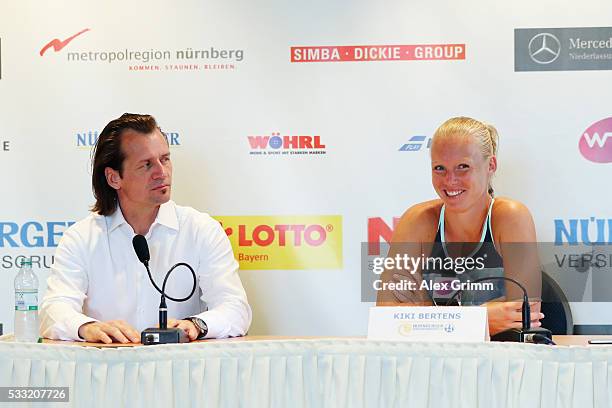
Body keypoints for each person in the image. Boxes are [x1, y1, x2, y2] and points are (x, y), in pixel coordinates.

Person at [40, 113, 251, 343]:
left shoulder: (201, 230)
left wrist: (196, 325)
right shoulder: (81, 238)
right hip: (107, 370)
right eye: (147, 164)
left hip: (181, 372)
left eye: (165, 159)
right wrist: (87, 327)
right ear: (114, 178)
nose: (162, 172)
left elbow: (236, 309)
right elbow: (54, 310)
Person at [376, 116, 543, 335]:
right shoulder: (416, 220)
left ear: (490, 165)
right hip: (432, 362)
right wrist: (482, 319)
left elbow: (526, 315)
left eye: (463, 167)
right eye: (439, 168)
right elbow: (387, 320)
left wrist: (425, 314)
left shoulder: (510, 216)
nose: (450, 180)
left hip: (500, 362)